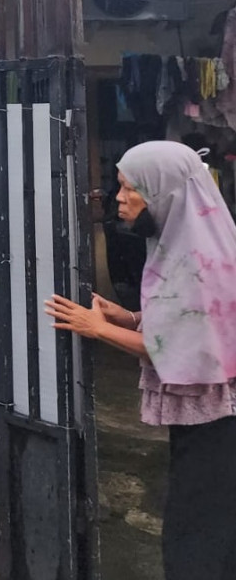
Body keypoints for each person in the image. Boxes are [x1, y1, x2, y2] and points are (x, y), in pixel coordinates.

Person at [45, 141, 236, 580]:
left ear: (163, 193)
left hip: (219, 423)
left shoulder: (199, 260)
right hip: (208, 418)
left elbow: (174, 342)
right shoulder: (186, 240)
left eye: (130, 188)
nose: (119, 198)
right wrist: (130, 316)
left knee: (196, 538)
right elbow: (185, 320)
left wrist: (98, 329)